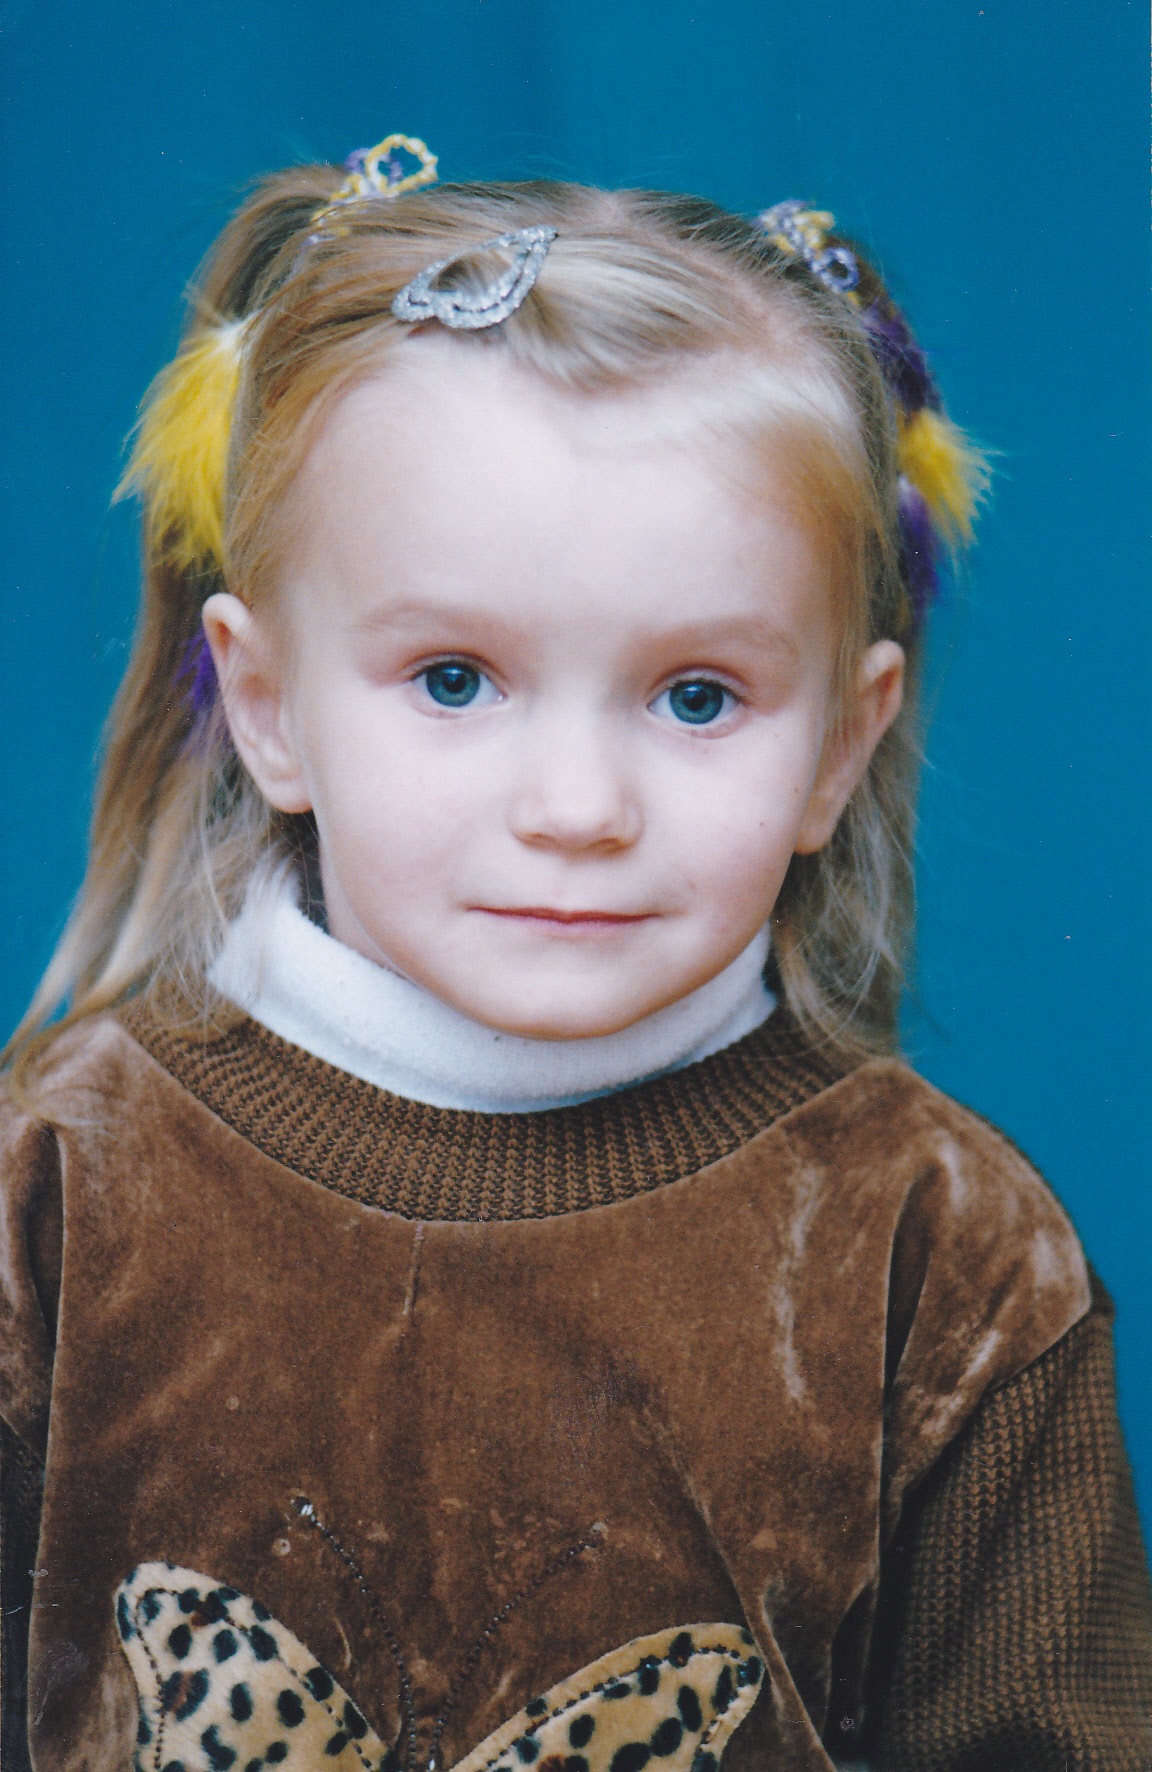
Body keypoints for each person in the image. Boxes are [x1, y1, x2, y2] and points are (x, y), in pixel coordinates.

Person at [0, 134, 1148, 1772]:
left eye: (698, 696)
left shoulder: (944, 1257)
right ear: (266, 707)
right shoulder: (50, 1188)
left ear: (841, 743)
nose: (579, 808)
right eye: (454, 680)